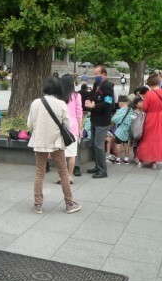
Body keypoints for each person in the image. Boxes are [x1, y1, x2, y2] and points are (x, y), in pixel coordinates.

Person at [27, 77, 81, 215]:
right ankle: (69, 203)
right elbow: (67, 125)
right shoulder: (61, 104)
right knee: (63, 172)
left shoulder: (36, 103)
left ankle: (38, 204)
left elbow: (29, 124)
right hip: (57, 143)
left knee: (40, 172)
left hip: (40, 142)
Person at [85, 65, 115, 179]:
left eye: (96, 74)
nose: (95, 76)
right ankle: (97, 166)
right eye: (94, 74)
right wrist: (89, 100)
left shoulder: (108, 86)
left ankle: (103, 170)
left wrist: (94, 106)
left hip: (102, 120)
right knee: (94, 144)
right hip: (94, 118)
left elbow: (108, 103)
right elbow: (93, 95)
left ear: (104, 74)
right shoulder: (96, 84)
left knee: (99, 145)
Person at [136, 75, 162, 169]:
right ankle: (153, 162)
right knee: (158, 140)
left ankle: (141, 160)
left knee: (146, 138)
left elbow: (144, 107)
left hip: (151, 117)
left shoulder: (149, 93)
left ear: (149, 83)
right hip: (161, 117)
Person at [58, 74, 83, 181]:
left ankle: (61, 176)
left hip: (61, 126)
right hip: (73, 126)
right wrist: (80, 128)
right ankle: (69, 176)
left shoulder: (58, 96)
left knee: (60, 153)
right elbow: (79, 113)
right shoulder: (77, 96)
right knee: (72, 154)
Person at [111, 95, 136, 164]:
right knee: (125, 144)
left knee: (118, 144)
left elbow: (114, 119)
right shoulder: (130, 110)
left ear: (121, 103)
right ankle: (126, 159)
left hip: (120, 130)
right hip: (127, 130)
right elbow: (132, 119)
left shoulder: (121, 110)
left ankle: (118, 159)